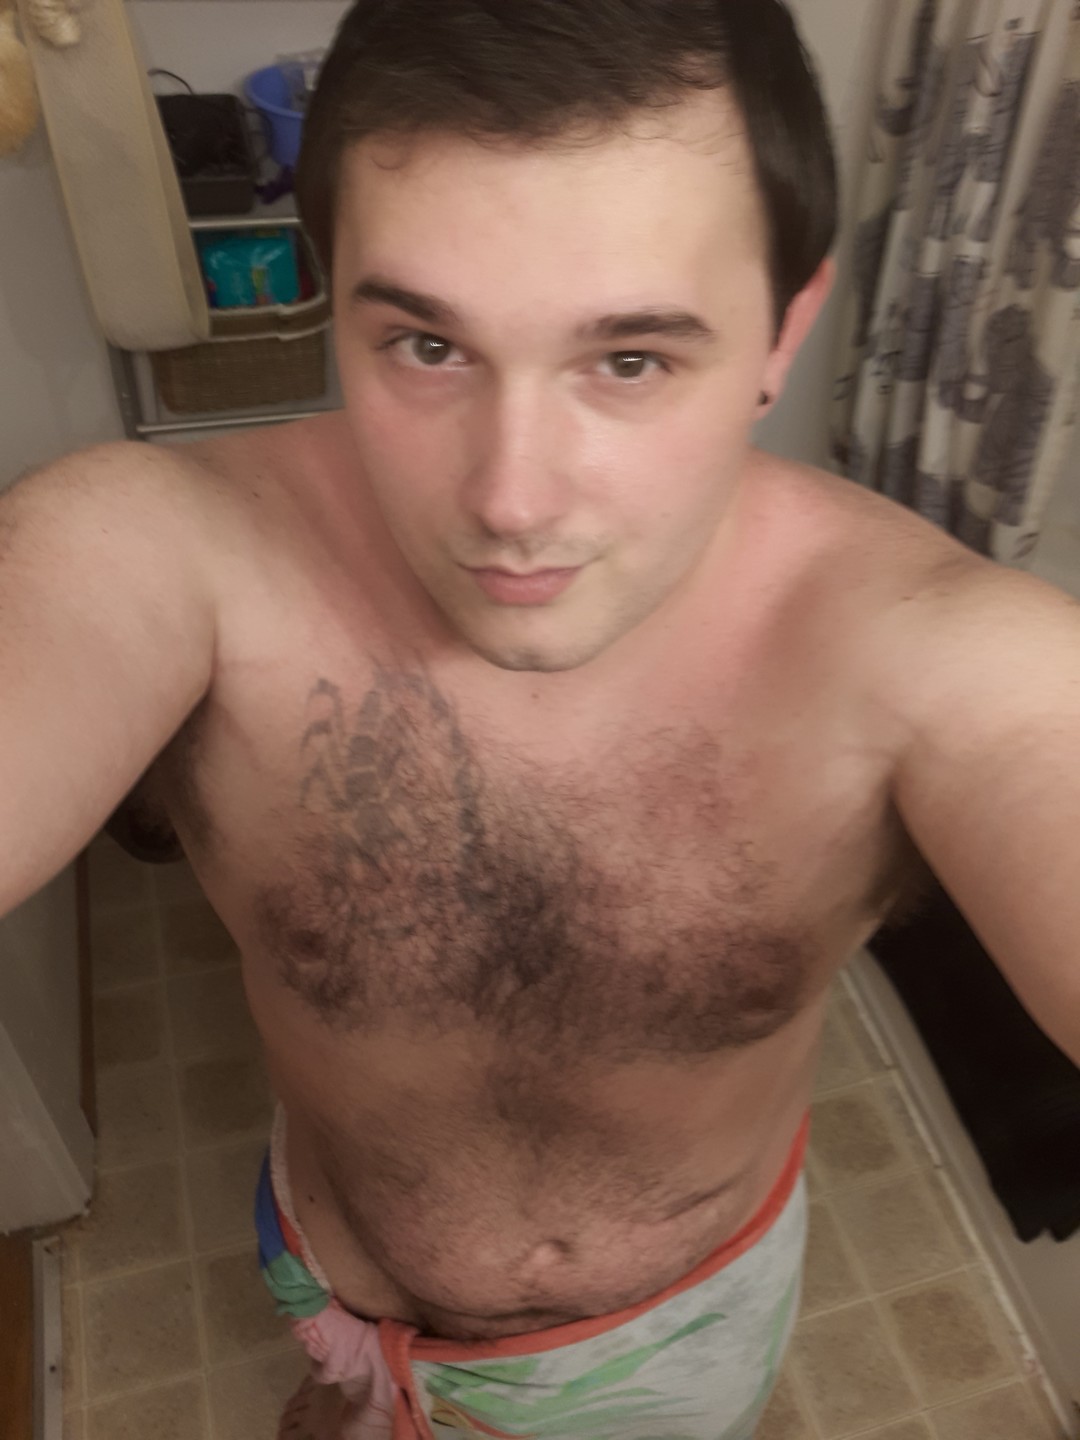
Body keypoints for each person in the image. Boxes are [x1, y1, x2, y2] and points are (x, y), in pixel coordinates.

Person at [4, 2, 1079, 1436]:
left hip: (667, 1348)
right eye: (425, 346)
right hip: (329, 1262)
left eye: (629, 361)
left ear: (783, 329)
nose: (511, 499)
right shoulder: (166, 543)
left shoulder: (930, 652)